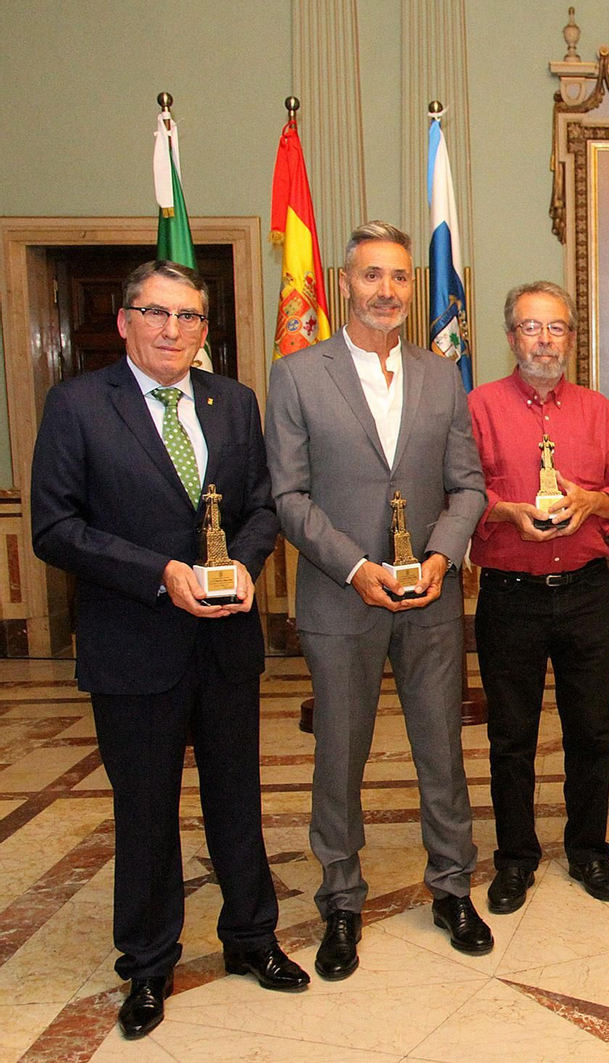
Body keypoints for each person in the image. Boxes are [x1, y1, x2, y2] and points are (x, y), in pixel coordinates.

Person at [31, 261, 308, 1039]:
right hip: (133, 646)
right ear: (124, 320)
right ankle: (148, 963)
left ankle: (252, 937)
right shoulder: (79, 404)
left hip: (224, 643)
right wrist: (160, 574)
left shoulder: (232, 402)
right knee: (146, 811)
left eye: (188, 317)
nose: (172, 329)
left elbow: (259, 506)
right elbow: (53, 526)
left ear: (203, 329)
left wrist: (244, 565)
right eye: (156, 313)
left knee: (237, 803)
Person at [265, 221, 490, 977]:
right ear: (344, 285)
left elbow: (468, 485)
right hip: (340, 601)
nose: (387, 291)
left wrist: (440, 556)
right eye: (372, 277)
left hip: (428, 597)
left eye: (400, 277)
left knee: (442, 750)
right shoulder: (298, 375)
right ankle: (340, 897)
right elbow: (289, 496)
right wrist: (354, 565)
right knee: (340, 755)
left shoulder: (441, 375)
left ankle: (452, 884)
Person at [467, 281, 609, 912]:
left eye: (557, 328)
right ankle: (515, 858)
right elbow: (457, 490)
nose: (545, 340)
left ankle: (589, 851)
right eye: (531, 327)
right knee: (511, 735)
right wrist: (504, 511)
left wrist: (594, 501)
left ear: (572, 336)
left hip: (585, 594)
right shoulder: (478, 407)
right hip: (510, 597)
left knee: (592, 730)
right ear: (511, 336)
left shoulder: (598, 411)